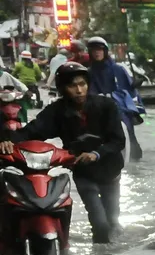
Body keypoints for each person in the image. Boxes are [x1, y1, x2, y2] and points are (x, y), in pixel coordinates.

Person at [1, 62, 126, 242]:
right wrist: (7, 140)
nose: (79, 90)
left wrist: (96, 154)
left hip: (110, 170)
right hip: (83, 172)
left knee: (113, 219)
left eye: (82, 84)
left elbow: (118, 140)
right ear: (63, 88)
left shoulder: (106, 106)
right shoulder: (57, 111)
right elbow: (32, 132)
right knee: (99, 222)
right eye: (72, 85)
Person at [87, 36, 145, 161]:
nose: (97, 52)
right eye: (94, 50)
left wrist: (134, 88)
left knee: (128, 131)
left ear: (105, 51)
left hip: (119, 108)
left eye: (100, 50)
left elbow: (130, 91)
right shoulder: (89, 73)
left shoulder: (118, 69)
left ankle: (134, 158)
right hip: (99, 108)